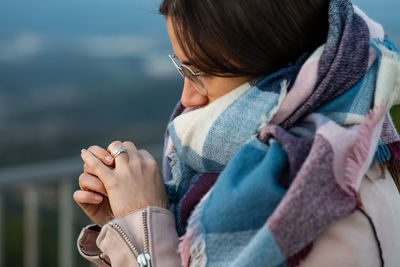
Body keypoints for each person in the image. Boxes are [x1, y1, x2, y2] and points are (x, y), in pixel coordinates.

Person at [74, 0, 400, 266]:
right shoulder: (327, 156)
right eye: (182, 67)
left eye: (199, 73)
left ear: (276, 75)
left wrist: (140, 221)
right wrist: (123, 227)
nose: (187, 99)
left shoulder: (314, 202)